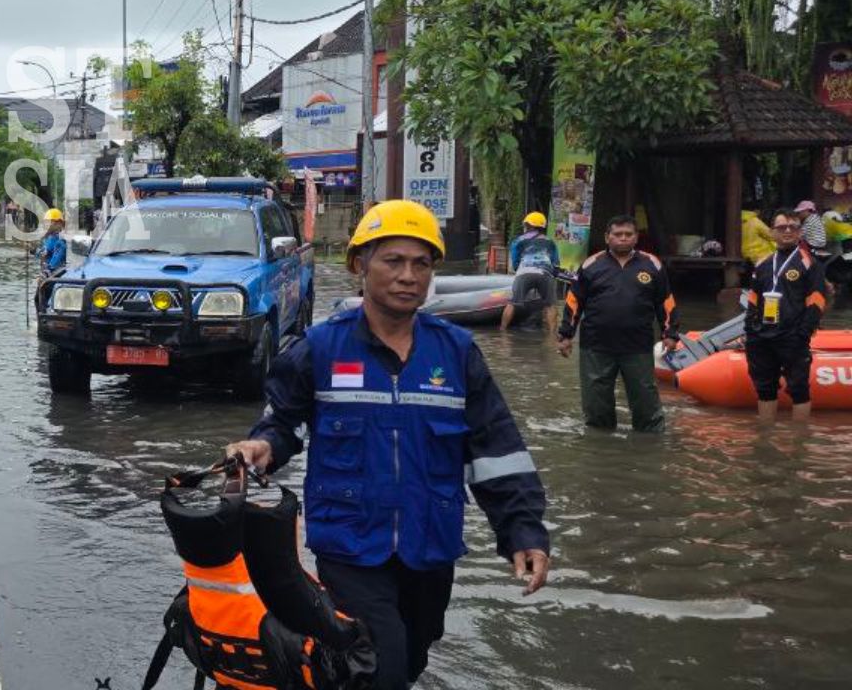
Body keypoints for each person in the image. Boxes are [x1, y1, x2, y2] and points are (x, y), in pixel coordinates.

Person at [226, 200, 549, 690]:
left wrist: (522, 531)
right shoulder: (321, 348)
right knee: (381, 663)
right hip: (350, 542)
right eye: (393, 261)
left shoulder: (456, 353)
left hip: (430, 543)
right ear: (360, 265)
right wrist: (260, 448)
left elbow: (496, 448)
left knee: (413, 654)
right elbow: (282, 423)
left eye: (421, 264)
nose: (408, 276)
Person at [558, 214, 679, 432]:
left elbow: (666, 301)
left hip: (638, 346)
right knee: (596, 406)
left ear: (636, 238)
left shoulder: (652, 264)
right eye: (617, 234)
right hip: (596, 346)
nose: (623, 238)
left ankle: (649, 449)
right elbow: (574, 302)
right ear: (607, 237)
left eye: (628, 234)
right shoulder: (591, 265)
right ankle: (600, 448)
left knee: (646, 403)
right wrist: (566, 334)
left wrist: (670, 333)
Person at [743, 209, 828, 421]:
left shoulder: (810, 263)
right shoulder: (763, 264)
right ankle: (766, 438)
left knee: (798, 390)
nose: (788, 231)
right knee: (764, 388)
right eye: (782, 227)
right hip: (761, 337)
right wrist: (750, 330)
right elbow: (753, 299)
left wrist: (803, 333)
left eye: (793, 227)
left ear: (800, 233)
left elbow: (817, 301)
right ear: (772, 232)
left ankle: (799, 443)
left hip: (793, 336)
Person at [499, 211, 562, 333]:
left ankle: (502, 332)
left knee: (512, 303)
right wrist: (553, 275)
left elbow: (515, 261)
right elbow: (556, 263)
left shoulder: (518, 241)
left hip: (524, 272)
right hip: (545, 273)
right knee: (550, 305)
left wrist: (520, 271)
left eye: (526, 224)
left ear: (529, 225)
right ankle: (552, 336)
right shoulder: (550, 241)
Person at [37, 208, 68, 278]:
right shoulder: (47, 239)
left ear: (59, 224)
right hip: (45, 274)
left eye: (49, 222)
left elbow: (56, 260)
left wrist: (48, 271)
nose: (45, 225)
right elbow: (41, 254)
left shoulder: (60, 242)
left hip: (53, 276)